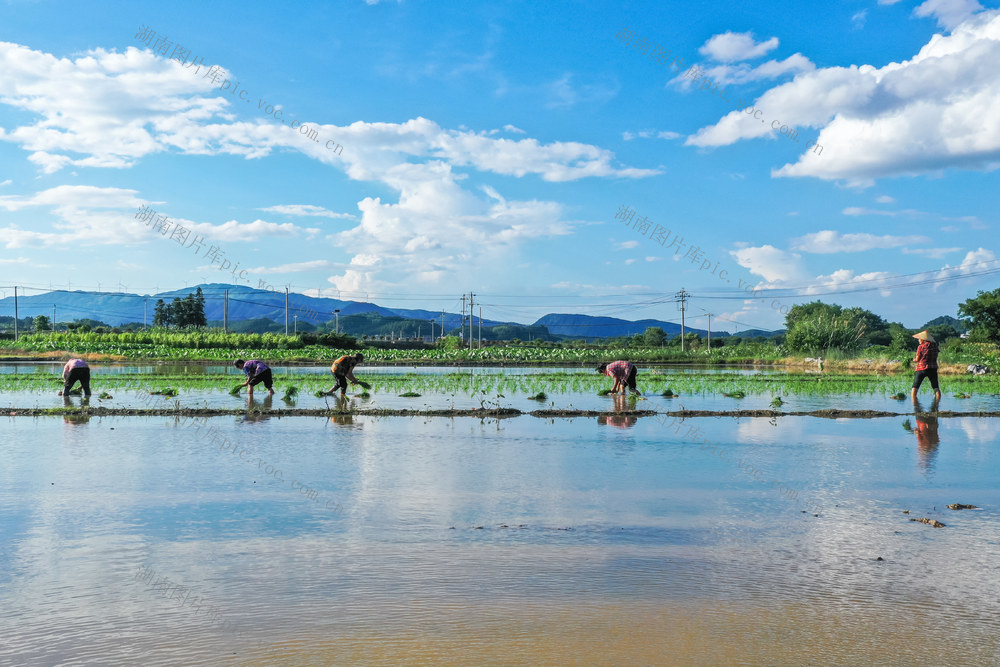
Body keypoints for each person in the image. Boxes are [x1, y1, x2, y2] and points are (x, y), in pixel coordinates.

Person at [911, 330, 941, 401]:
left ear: (923, 339)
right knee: (936, 387)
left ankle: (914, 404)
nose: (918, 340)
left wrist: (914, 359)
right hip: (933, 368)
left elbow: (918, 359)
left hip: (922, 368)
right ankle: (937, 404)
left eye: (919, 339)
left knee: (915, 387)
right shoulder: (935, 346)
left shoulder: (921, 347)